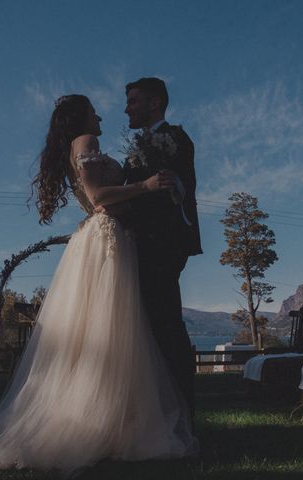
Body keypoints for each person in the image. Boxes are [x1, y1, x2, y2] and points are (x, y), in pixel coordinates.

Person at [0, 95, 197, 477]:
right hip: (105, 240)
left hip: (111, 236)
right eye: (93, 110)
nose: (101, 115)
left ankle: (112, 420)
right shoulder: (85, 142)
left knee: (110, 332)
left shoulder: (85, 145)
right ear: (80, 118)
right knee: (105, 331)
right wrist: (146, 184)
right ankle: (96, 424)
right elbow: (97, 197)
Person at [122, 78, 202, 417]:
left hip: (163, 245)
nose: (127, 108)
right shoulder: (140, 144)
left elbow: (181, 188)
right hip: (140, 243)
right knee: (149, 325)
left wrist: (172, 184)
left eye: (133, 101)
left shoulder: (176, 139)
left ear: (155, 103)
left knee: (166, 323)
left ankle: (183, 410)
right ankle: (156, 410)